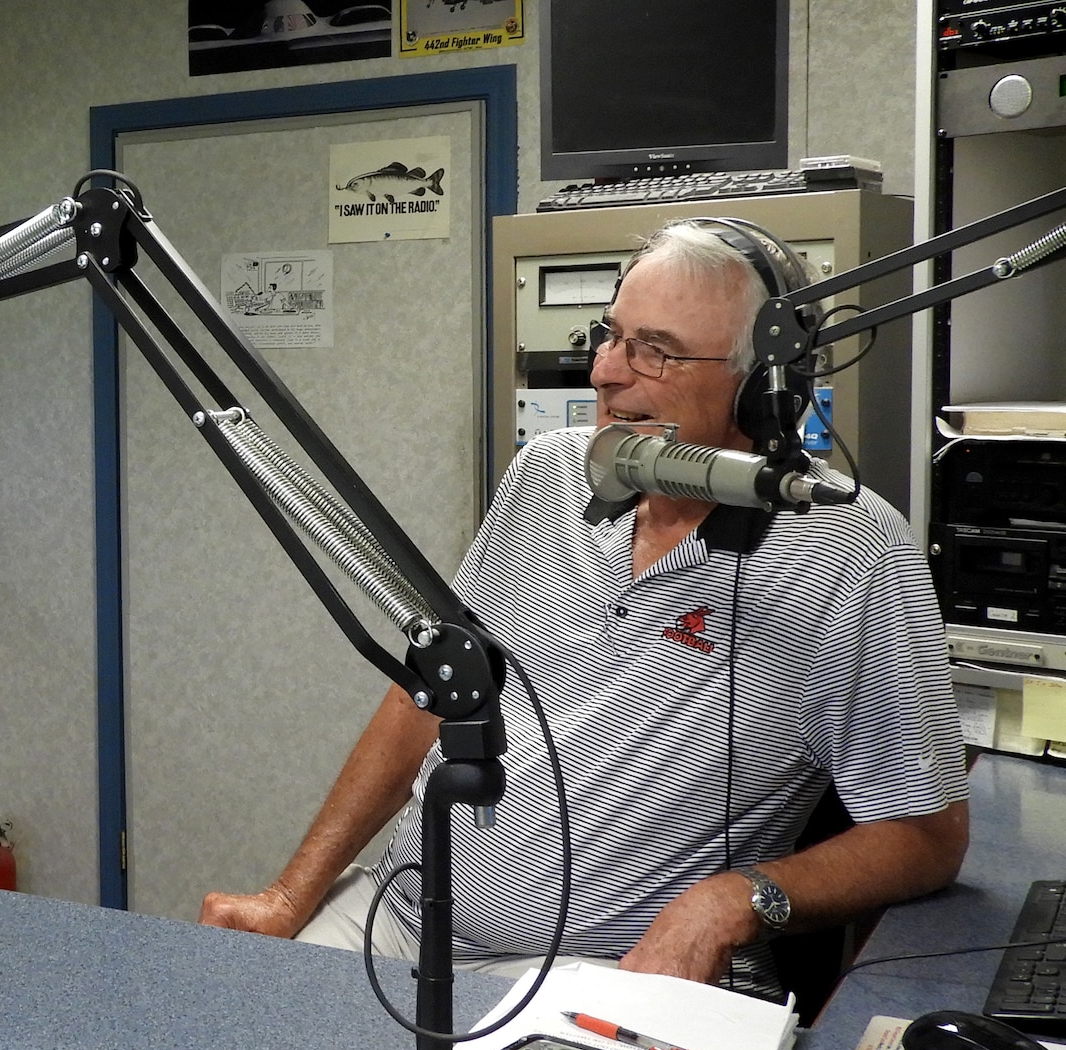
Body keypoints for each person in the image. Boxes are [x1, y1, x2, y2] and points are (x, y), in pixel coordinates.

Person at [202, 217, 969, 999]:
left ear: (758, 385)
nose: (605, 372)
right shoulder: (548, 473)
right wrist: (290, 894)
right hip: (400, 920)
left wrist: (736, 900)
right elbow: (428, 698)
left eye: (654, 350)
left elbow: (927, 836)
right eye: (609, 336)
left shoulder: (851, 548)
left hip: (606, 978)